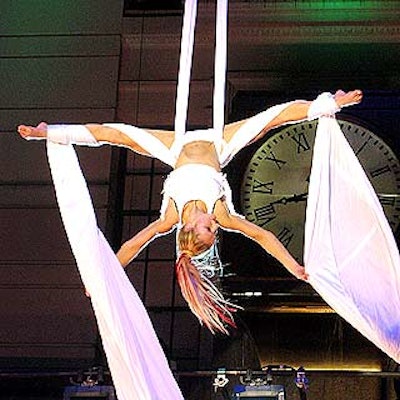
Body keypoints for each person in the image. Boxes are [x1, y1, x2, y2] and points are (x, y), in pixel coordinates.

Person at [18, 89, 363, 333]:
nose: (214, 224)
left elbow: (132, 247)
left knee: (117, 134)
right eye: (214, 228)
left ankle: (51, 133)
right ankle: (328, 103)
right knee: (272, 120)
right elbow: (262, 236)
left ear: (191, 229)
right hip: (219, 145)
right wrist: (294, 267)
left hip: (175, 149)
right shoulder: (223, 215)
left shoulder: (171, 218)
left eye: (208, 229)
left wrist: (100, 277)